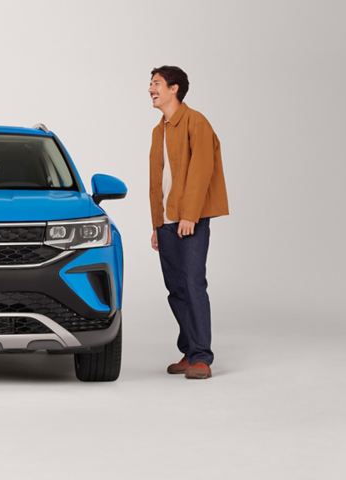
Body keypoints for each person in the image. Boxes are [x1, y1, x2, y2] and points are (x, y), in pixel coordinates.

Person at [147, 65, 229, 380]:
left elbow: (201, 171)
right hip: (167, 223)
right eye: (150, 84)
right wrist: (156, 224)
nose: (151, 89)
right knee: (176, 288)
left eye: (156, 84)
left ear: (174, 88)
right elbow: (158, 182)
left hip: (189, 220)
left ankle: (202, 358)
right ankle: (189, 349)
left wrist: (190, 215)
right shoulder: (159, 130)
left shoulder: (197, 122)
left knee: (193, 285)